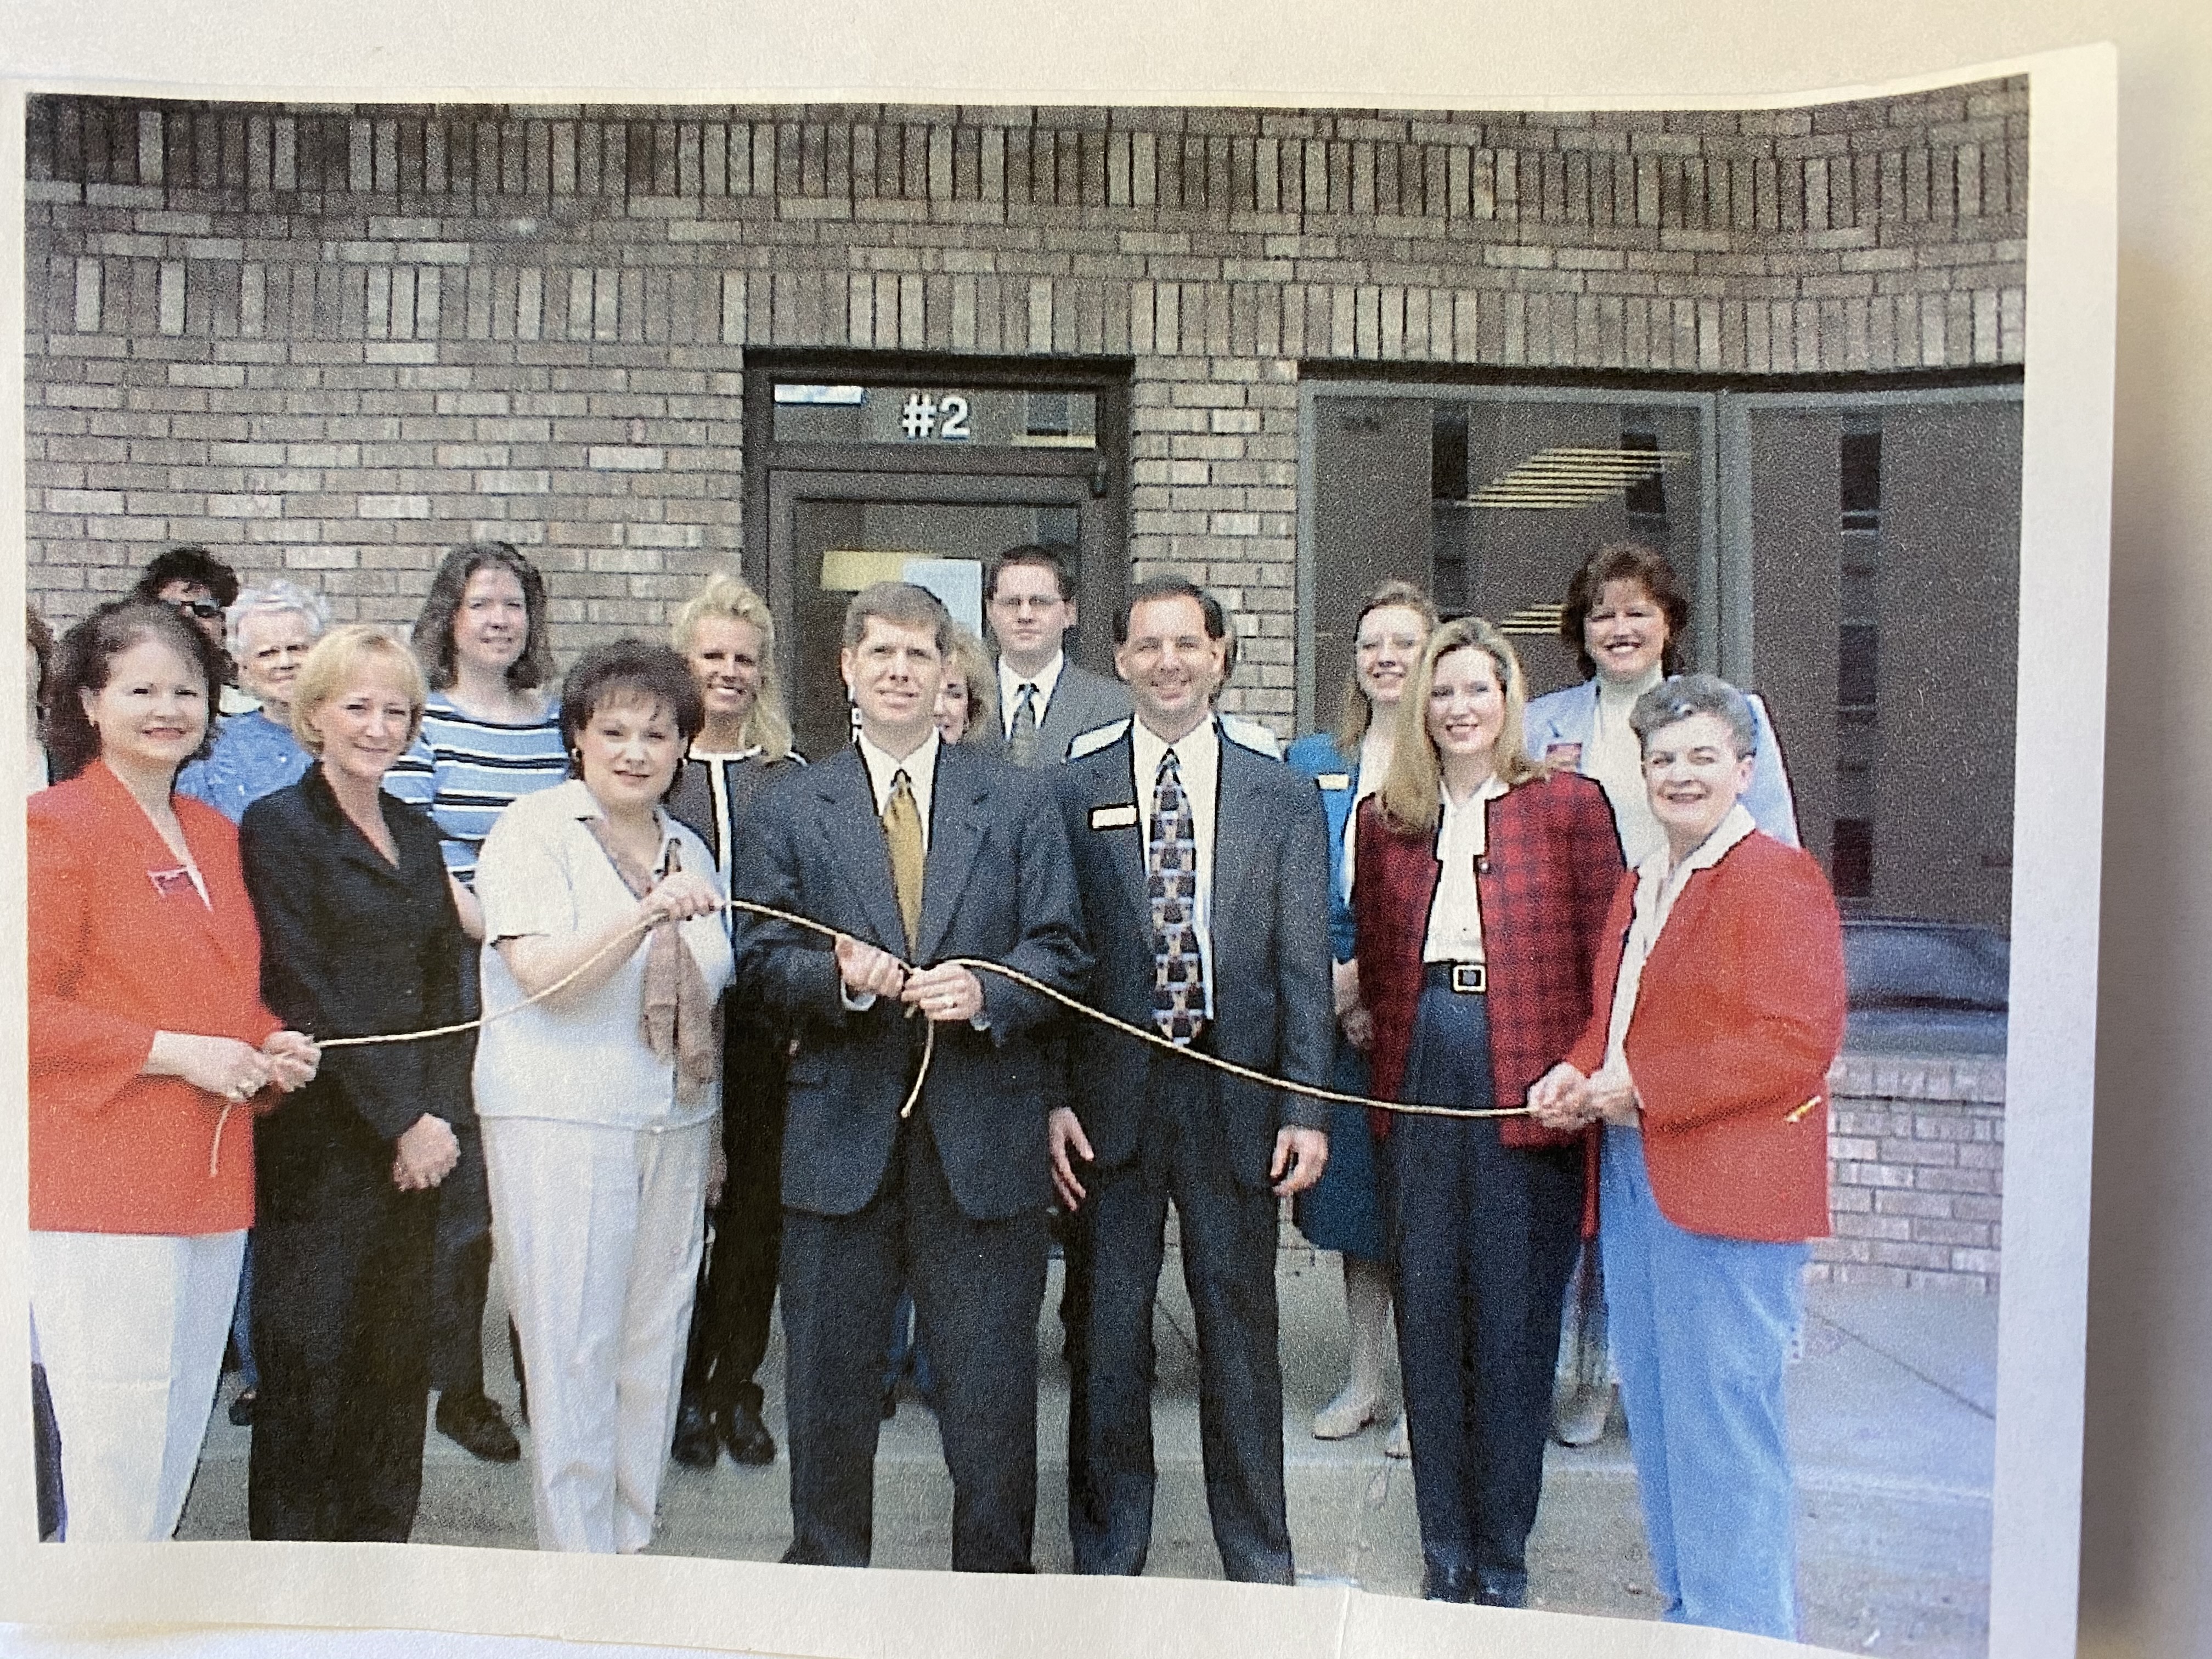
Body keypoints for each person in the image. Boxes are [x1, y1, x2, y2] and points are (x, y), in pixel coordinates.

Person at [734, 580, 1088, 1572]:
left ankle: (992, 1604)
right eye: (879, 652)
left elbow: (1061, 951)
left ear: (948, 674)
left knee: (989, 1395)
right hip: (838, 1143)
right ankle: (831, 1596)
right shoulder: (791, 803)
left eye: (919, 654)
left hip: (982, 1142)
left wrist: (989, 993)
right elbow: (757, 959)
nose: (899, 670)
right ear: (847, 668)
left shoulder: (1015, 799)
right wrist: (839, 983)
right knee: (830, 1389)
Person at [1529, 673, 1847, 1640]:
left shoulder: (1778, 877)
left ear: (1744, 770)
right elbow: (1611, 1021)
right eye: (1661, 757)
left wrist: (1642, 1085)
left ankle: (1745, 1633)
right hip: (1633, 1177)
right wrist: (1573, 1070)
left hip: (1727, 1195)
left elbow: (1794, 1042)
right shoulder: (1641, 880)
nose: (1679, 773)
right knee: (1665, 1430)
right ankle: (1688, 1621)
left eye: (1702, 755)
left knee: (1724, 1432)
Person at [1050, 576, 1332, 1584]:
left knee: (1240, 1335)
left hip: (1234, 1095)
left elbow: (1304, 965)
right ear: (1119, 660)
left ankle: (1258, 1560)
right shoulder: (1068, 790)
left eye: (1188, 642)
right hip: (1109, 1102)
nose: (1168, 659)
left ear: (1219, 656)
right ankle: (1108, 1553)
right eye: (1147, 644)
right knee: (1108, 1338)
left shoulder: (1282, 794)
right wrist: (1051, 1096)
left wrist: (1305, 1105)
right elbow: (1053, 954)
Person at [27, 600, 318, 1542]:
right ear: (89, 701)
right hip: (101, 1187)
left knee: (167, 1455)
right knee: (113, 1458)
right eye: (141, 688)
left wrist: (272, 1043)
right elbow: (24, 1012)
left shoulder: (214, 830)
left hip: (209, 1177)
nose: (168, 708)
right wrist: (176, 1053)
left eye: (186, 688)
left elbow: (226, 994)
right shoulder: (53, 826)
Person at [1352, 617, 1623, 1607]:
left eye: (1479, 689)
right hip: (1423, 1059)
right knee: (1428, 1311)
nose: (1460, 708)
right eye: (1442, 691)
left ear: (1509, 699)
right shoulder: (1390, 816)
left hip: (1528, 1070)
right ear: (1418, 704)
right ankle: (1445, 1549)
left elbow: (1610, 960)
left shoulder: (1568, 806)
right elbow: (1378, 964)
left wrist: (1581, 1067)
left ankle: (1501, 1553)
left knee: (1512, 1323)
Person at [1524, 542, 1799, 1447]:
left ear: (1668, 621)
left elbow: (1776, 850)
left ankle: (1664, 1373)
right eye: (1603, 613)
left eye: (1638, 611)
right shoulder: (1544, 721)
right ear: (1581, 629)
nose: (1621, 627)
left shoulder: (1726, 712)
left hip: (1691, 968)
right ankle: (1590, 1369)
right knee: (1594, 1181)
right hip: (1580, 963)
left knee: (1666, 1170)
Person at [471, 640, 735, 1553]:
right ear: (577, 736)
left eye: (656, 733)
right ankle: (574, 1565)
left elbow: (713, 1001)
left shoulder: (687, 844)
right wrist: (645, 911)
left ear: (682, 746)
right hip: (562, 1122)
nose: (635, 749)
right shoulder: (533, 828)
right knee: (573, 1348)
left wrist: (717, 1133)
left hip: (675, 1124)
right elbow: (544, 976)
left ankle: (629, 1544)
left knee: (650, 1346)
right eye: (613, 730)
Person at [237, 625, 471, 1540]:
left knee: (392, 1370)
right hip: (324, 1144)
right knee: (311, 1375)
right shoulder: (279, 827)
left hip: (416, 1156)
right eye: (358, 705)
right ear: (316, 713)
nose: (379, 725)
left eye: (397, 709)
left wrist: (439, 1118)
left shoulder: (415, 830)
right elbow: (305, 984)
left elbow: (445, 983)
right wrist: (400, 1117)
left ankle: (379, 1575)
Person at [386, 540, 568, 1464]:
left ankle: (546, 1374)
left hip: (553, 975)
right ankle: (460, 1387)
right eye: (481, 603)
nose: (499, 619)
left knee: (539, 1185)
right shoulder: (426, 722)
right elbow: (421, 855)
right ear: (449, 616)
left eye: (513, 604)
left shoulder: (553, 724)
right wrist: (500, 936)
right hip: (468, 971)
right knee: (466, 1201)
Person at [1283, 578, 1435, 1454]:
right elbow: (1291, 887)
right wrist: (1332, 990)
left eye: (1405, 644)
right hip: (1329, 1011)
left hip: (1411, 1014)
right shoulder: (1314, 760)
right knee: (1352, 1209)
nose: (1386, 658)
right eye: (1372, 643)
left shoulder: (1449, 758)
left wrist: (1375, 989)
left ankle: (1425, 1389)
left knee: (1420, 1206)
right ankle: (1367, 1378)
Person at [665, 572, 801, 1472]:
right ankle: (675, 1387)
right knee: (677, 1218)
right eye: (711, 655)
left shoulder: (786, 778)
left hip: (765, 1032)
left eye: (743, 659)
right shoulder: (653, 766)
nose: (727, 672)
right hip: (668, 1030)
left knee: (753, 1221)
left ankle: (735, 1386)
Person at [177, 582, 330, 825]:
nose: (285, 662)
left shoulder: (361, 731)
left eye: (296, 648)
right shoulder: (212, 747)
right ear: (243, 666)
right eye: (267, 653)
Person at [983, 544, 1129, 766]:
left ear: (1069, 613)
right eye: (1012, 603)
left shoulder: (1117, 705)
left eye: (1039, 602)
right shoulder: (960, 699)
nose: (1025, 615)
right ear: (991, 613)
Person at [133, 546, 255, 716]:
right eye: (172, 608)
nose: (189, 618)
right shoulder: (127, 698)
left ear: (224, 624)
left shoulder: (248, 709)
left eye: (204, 609)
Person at [936, 624, 1000, 746]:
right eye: (928, 693)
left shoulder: (984, 764)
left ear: (970, 709)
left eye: (955, 695)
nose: (938, 709)